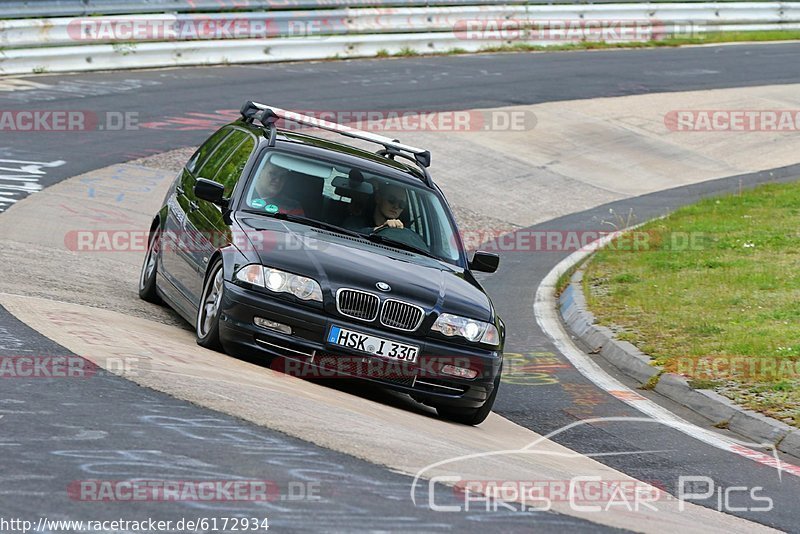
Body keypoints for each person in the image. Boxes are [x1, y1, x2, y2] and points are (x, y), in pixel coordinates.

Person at [343, 181, 429, 251]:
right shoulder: (355, 222)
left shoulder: (408, 236)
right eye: (391, 200)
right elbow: (344, 237)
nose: (396, 206)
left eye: (401, 204)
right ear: (378, 198)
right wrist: (380, 229)